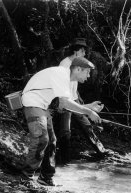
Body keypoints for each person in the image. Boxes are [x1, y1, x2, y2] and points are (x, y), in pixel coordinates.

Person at [20, 57, 102, 186]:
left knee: (52, 141)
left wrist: (89, 107)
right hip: (32, 103)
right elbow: (64, 103)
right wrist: (89, 112)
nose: (88, 75)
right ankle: (26, 178)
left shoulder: (66, 78)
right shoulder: (61, 74)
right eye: (87, 72)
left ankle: (45, 178)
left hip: (42, 106)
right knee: (41, 139)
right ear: (78, 69)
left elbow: (67, 104)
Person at [58, 38, 108, 164]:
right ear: (76, 51)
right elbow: (64, 95)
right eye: (83, 51)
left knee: (86, 125)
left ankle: (102, 152)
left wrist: (88, 107)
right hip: (65, 100)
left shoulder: (77, 63)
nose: (85, 54)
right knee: (65, 131)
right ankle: (64, 161)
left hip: (74, 98)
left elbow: (74, 88)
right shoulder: (65, 65)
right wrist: (87, 108)